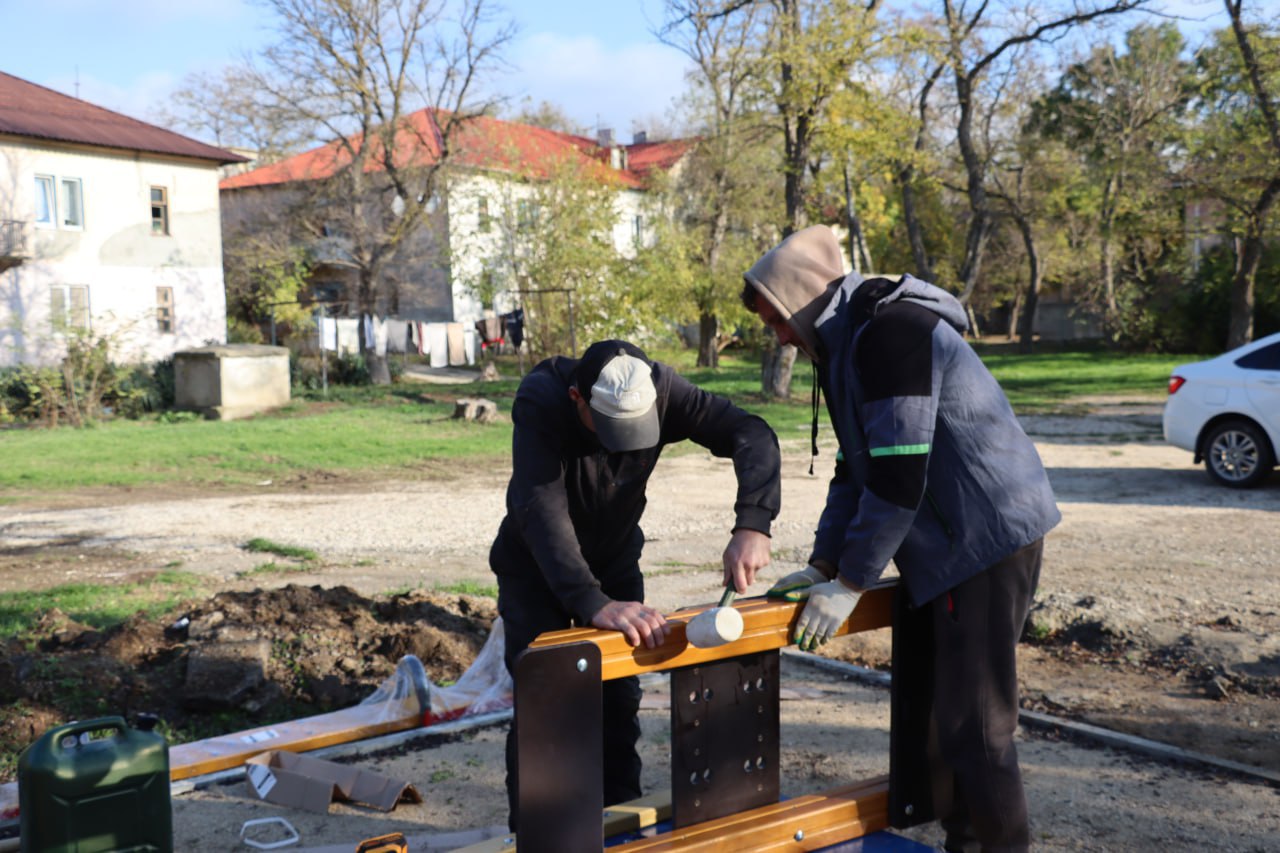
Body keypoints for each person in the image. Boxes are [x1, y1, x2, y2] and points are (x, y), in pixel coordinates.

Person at [742, 226, 1060, 853]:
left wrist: (853, 582)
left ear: (802, 297)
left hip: (983, 539)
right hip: (951, 539)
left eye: (777, 320)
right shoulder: (845, 344)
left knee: (977, 726)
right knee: (953, 720)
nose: (778, 337)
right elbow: (853, 466)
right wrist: (825, 562)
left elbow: (897, 476)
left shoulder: (889, 335)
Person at [489, 338, 781, 830]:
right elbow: (540, 510)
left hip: (616, 562)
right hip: (536, 570)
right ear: (579, 399)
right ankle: (538, 832)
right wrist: (591, 601)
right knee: (546, 701)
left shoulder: (663, 388)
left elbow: (750, 432)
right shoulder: (542, 398)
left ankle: (622, 828)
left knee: (618, 699)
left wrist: (754, 522)